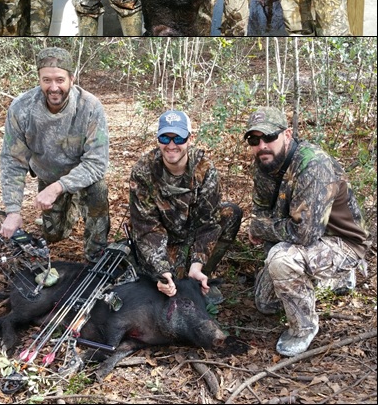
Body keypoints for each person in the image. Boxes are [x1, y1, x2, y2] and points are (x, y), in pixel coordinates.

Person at [245, 107, 368, 357]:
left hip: (342, 242)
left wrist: (261, 228)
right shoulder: (264, 164)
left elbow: (304, 234)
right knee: (265, 303)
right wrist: (262, 225)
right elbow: (261, 210)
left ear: (287, 134)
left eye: (269, 137)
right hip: (306, 240)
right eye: (254, 140)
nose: (262, 146)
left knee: (281, 260)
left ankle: (303, 328)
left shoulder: (312, 163)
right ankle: (336, 280)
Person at [0, 47, 109, 262]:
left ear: (71, 79)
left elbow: (97, 163)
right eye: (46, 80)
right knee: (55, 235)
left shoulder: (90, 106)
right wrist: (13, 210)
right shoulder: (21, 108)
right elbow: (13, 160)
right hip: (48, 176)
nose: (53, 87)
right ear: (39, 79)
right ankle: (71, 207)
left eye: (60, 79)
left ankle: (95, 256)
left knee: (98, 191)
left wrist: (59, 187)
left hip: (82, 177)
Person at [128, 110, 242, 300]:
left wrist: (197, 264)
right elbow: (147, 228)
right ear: (158, 140)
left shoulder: (205, 170)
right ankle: (176, 276)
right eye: (165, 138)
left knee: (231, 213)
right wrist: (162, 271)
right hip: (163, 240)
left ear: (190, 139)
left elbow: (209, 224)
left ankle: (201, 273)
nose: (171, 145)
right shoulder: (143, 171)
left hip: (192, 232)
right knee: (171, 284)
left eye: (178, 139)